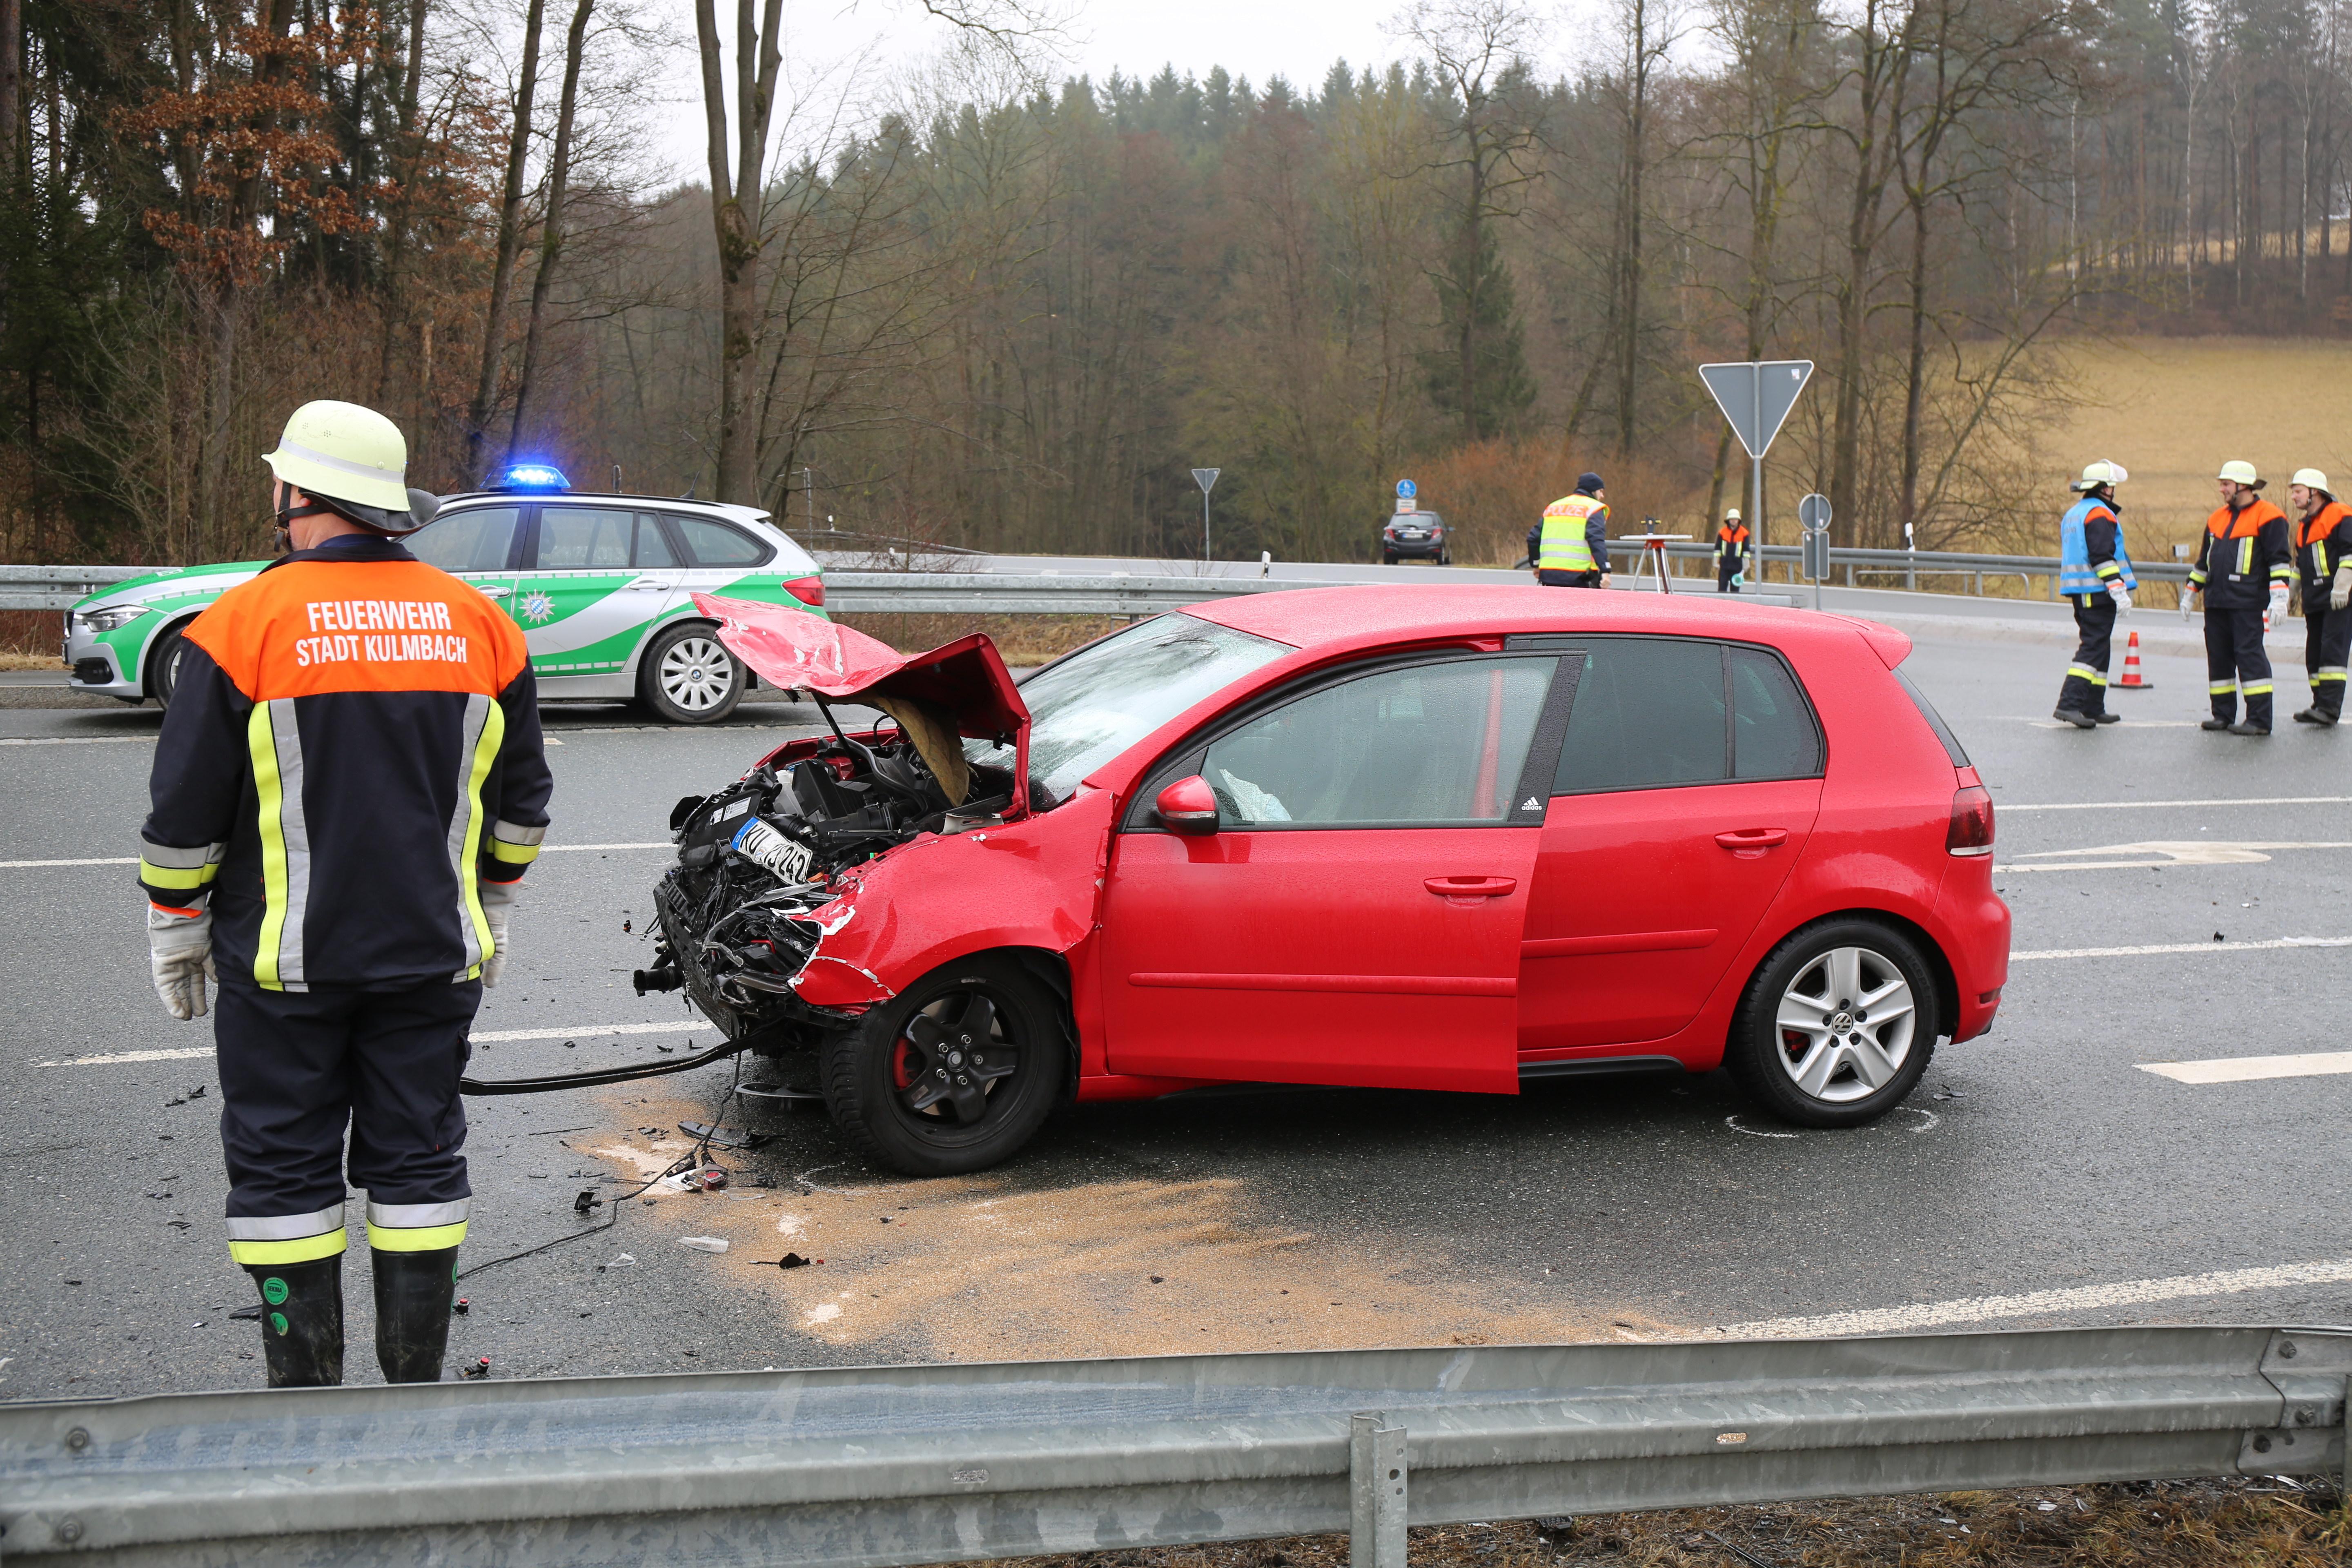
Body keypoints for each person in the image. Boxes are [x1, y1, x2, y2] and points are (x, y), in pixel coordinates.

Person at [138, 399, 553, 1387]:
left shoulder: (240, 623)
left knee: (283, 1178)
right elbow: (522, 800)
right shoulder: (481, 624)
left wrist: (174, 924)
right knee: (419, 1167)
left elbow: (185, 810)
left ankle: (306, 1400)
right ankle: (410, 1394)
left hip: (284, 967)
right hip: (430, 958)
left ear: (299, 493)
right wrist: (492, 902)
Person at [2185, 459, 2293, 736]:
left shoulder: (2270, 516)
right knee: (2219, 657)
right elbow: (2203, 562)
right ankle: (2222, 715)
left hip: (2247, 602)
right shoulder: (2216, 518)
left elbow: (2279, 561)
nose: (2221, 489)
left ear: (2243, 486)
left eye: (2226, 484)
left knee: (2249, 656)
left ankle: (2259, 720)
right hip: (2217, 602)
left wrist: (2280, 598)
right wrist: (2191, 592)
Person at [2052, 460, 2136, 728]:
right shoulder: (2100, 514)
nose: (2113, 491)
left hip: (2082, 591)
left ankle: (2093, 706)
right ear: (2103, 489)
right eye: (2111, 486)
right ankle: (2070, 704)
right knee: (2092, 648)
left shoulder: (2076, 512)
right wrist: (2118, 588)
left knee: (2100, 647)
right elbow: (2102, 555)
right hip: (2097, 591)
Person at [2289, 467, 2352, 726]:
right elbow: (2298, 566)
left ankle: (2329, 708)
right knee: (2314, 654)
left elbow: (2350, 553)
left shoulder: (2341, 515)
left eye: (2298, 491)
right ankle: (2319, 702)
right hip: (2315, 600)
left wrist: (2343, 586)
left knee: (2332, 653)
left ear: (2315, 492)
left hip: (2338, 598)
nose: (2294, 497)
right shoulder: (2304, 527)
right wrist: (2290, 594)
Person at [1530, 472, 1611, 588]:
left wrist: (1536, 565)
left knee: (1553, 606)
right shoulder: (1593, 508)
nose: (1602, 496)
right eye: (1601, 491)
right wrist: (1605, 570)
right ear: (1593, 491)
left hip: (1549, 575)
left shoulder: (1554, 507)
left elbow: (1533, 538)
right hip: (1581, 577)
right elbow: (1596, 540)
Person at [1714, 507, 1750, 593]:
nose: (1734, 521)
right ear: (1728, 520)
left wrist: (1746, 564)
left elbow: (1746, 550)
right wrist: (1716, 562)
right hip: (1724, 566)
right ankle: (1721, 606)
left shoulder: (1744, 533)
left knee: (1735, 592)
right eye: (1732, 519)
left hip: (1737, 567)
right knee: (1722, 590)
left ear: (1738, 520)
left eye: (1735, 519)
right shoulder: (1722, 532)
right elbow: (1718, 548)